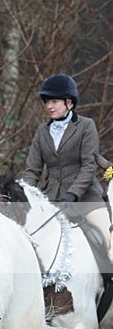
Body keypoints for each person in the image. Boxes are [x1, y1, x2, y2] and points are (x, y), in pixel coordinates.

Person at [22, 73, 112, 259]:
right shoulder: (42, 132)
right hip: (52, 200)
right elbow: (32, 170)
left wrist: (73, 192)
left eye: (54, 101)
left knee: (106, 239)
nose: (49, 106)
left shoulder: (86, 126)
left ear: (69, 102)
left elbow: (89, 165)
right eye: (47, 101)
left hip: (86, 199)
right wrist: (24, 193)